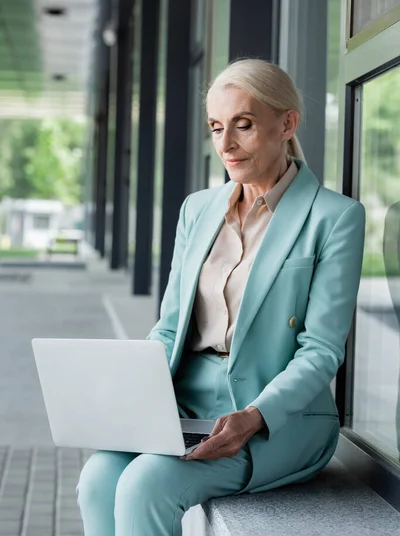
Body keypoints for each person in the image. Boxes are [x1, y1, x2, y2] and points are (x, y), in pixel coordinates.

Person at [76, 58, 366, 536]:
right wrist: (130, 396)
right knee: (98, 479)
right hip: (185, 404)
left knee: (146, 483)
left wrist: (253, 417)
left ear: (287, 123)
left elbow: (321, 351)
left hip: (277, 416)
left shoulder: (334, 218)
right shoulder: (198, 209)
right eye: (216, 127)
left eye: (244, 125)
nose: (226, 145)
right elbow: (170, 325)